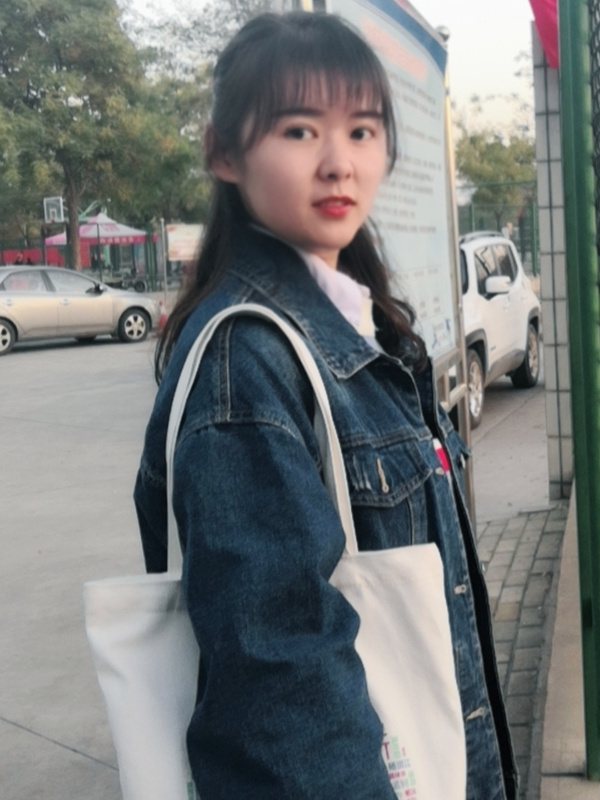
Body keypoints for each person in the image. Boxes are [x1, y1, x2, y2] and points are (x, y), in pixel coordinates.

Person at [134, 12, 517, 800]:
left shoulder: (364, 324)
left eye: (363, 131)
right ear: (224, 153)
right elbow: (284, 693)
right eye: (300, 130)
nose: (340, 163)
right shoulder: (249, 362)